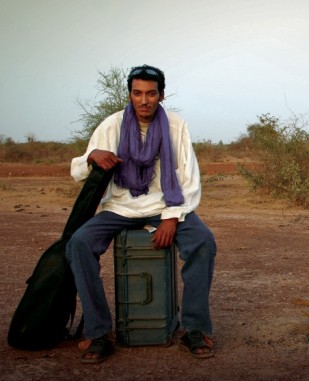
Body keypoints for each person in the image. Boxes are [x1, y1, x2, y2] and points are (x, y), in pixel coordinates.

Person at [66, 64, 217, 363]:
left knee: (203, 242)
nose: (144, 100)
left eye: (150, 93)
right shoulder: (112, 125)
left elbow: (189, 178)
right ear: (130, 94)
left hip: (165, 205)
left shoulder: (176, 125)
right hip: (121, 206)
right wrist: (92, 157)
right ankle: (98, 333)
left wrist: (171, 217)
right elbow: (79, 170)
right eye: (137, 93)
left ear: (161, 95)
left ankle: (194, 329)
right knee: (79, 244)